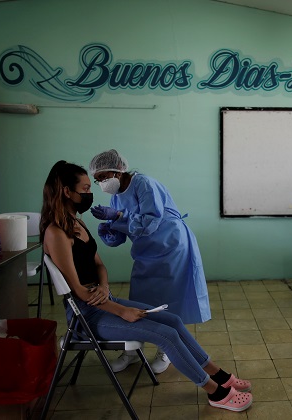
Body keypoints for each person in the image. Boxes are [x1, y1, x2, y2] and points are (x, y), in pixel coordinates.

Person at [40, 161, 252, 412]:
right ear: (67, 191)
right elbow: (78, 291)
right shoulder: (56, 232)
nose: (91, 192)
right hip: (85, 315)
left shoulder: (77, 223)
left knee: (171, 320)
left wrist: (105, 287)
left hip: (102, 301)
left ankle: (218, 374)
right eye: (86, 187)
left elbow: (100, 266)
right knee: (167, 335)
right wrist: (120, 310)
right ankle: (215, 392)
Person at [88, 149, 211, 374]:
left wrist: (117, 217)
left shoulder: (144, 184)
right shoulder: (116, 196)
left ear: (118, 170)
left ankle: (167, 351)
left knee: (170, 299)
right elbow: (124, 233)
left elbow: (149, 222)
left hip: (171, 246)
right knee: (139, 300)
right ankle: (132, 350)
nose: (102, 183)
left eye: (104, 177)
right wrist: (109, 230)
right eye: (98, 181)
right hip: (146, 251)